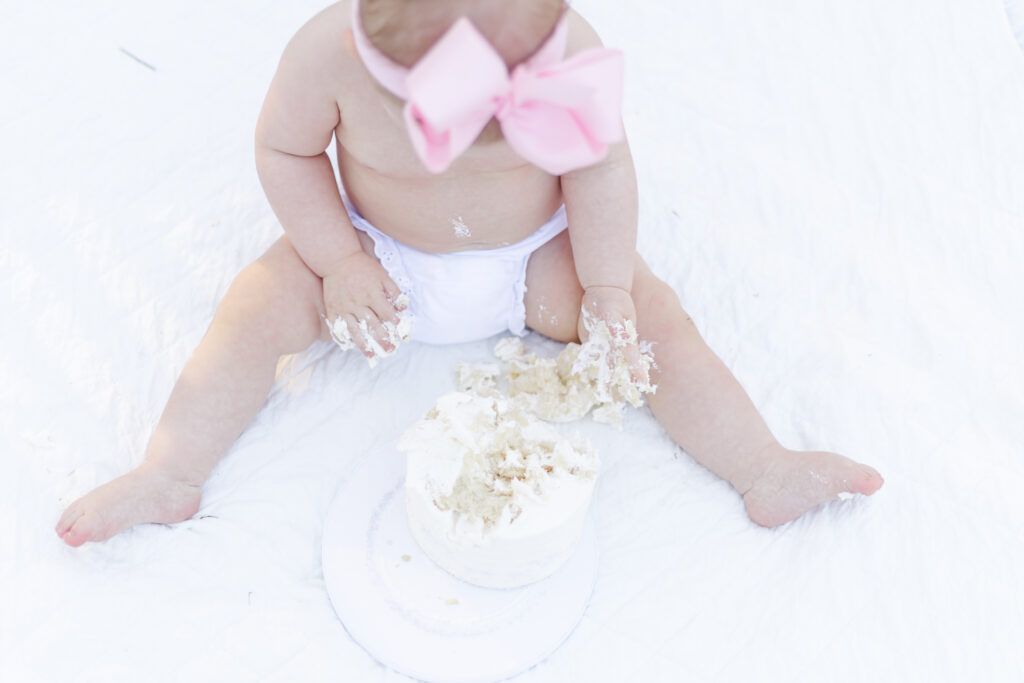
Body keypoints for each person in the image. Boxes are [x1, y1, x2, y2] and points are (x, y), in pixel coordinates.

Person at [55, 0, 883, 547]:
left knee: (654, 317)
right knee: (256, 303)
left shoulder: (567, 49)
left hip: (536, 259)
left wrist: (604, 288)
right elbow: (285, 148)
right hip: (380, 251)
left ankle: (762, 465)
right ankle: (168, 470)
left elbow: (597, 169)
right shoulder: (324, 55)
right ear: (365, 42)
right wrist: (339, 259)